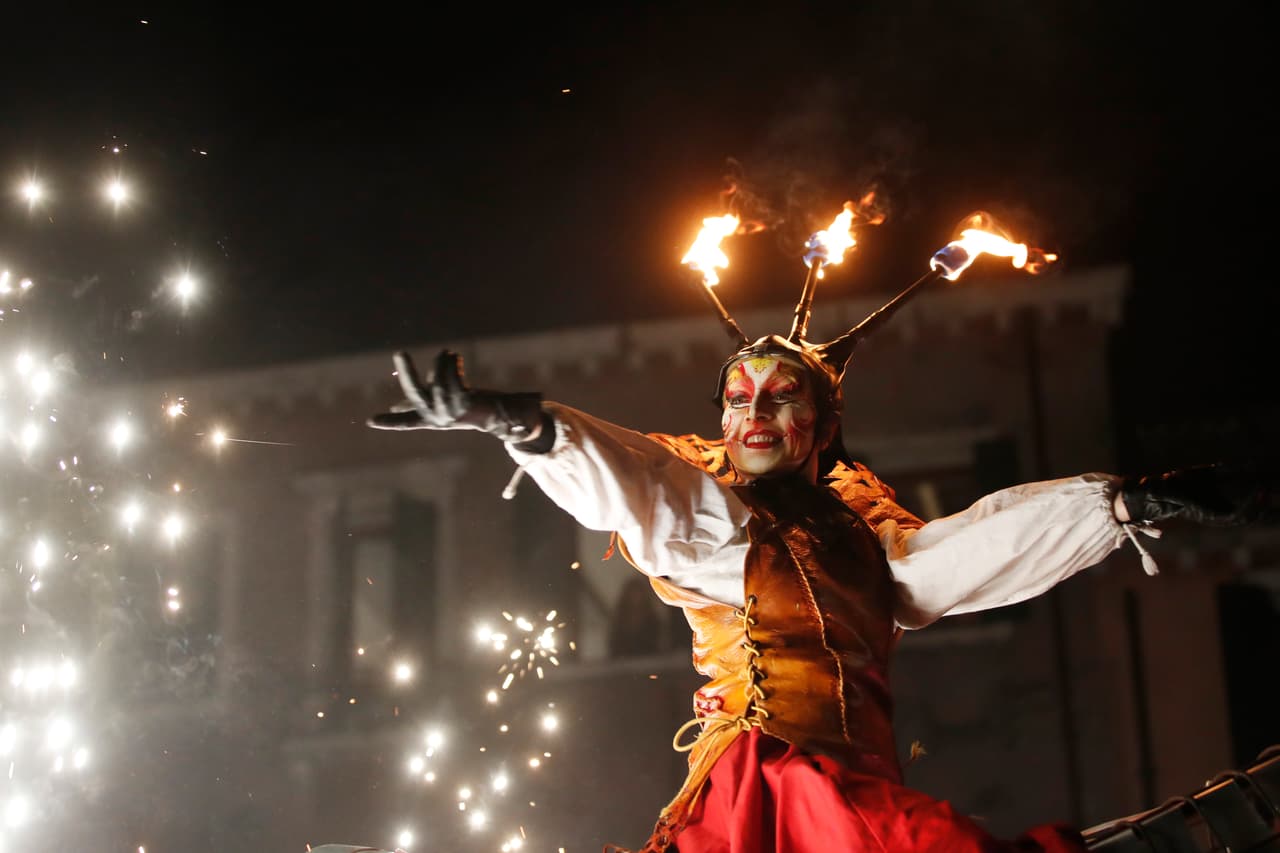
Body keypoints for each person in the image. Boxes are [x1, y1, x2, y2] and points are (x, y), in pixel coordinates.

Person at [367, 331, 1269, 853]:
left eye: (781, 394)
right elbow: (631, 480)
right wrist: (516, 420)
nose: (754, 412)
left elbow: (946, 562)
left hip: (861, 778)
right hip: (772, 785)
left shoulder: (864, 530)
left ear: (823, 424)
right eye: (738, 396)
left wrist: (1120, 502)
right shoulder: (708, 507)